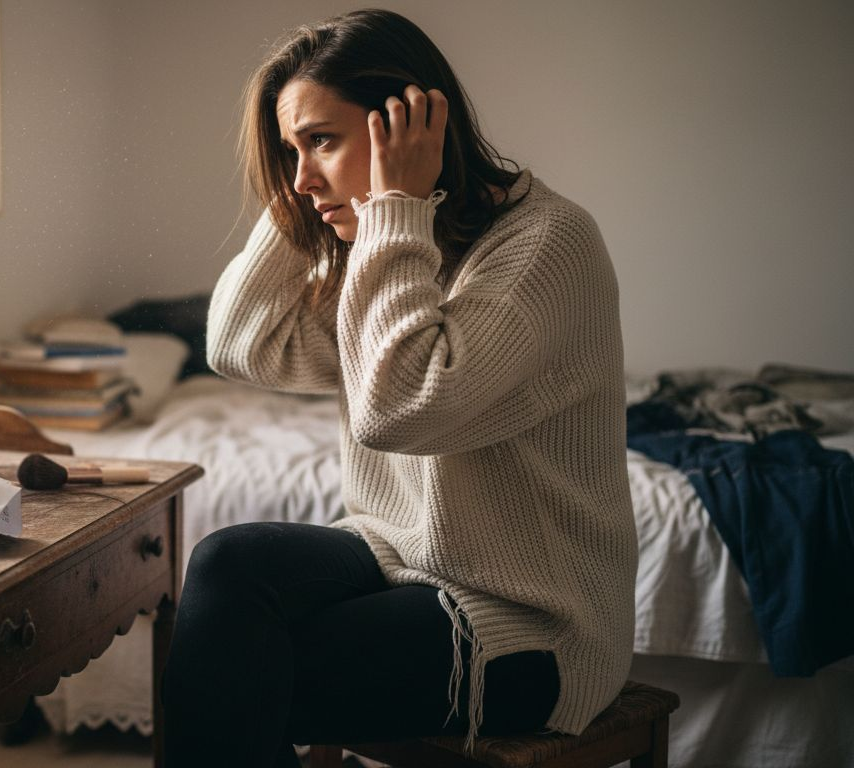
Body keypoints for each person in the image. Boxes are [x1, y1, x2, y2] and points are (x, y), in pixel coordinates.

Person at [161, 9, 637, 767]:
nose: (300, 177)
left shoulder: (546, 243)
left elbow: (397, 409)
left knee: (237, 671)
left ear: (410, 125)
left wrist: (394, 208)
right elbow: (241, 344)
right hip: (396, 559)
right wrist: (316, 206)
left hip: (529, 615)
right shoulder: (390, 249)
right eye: (291, 150)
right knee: (227, 566)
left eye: (321, 140)